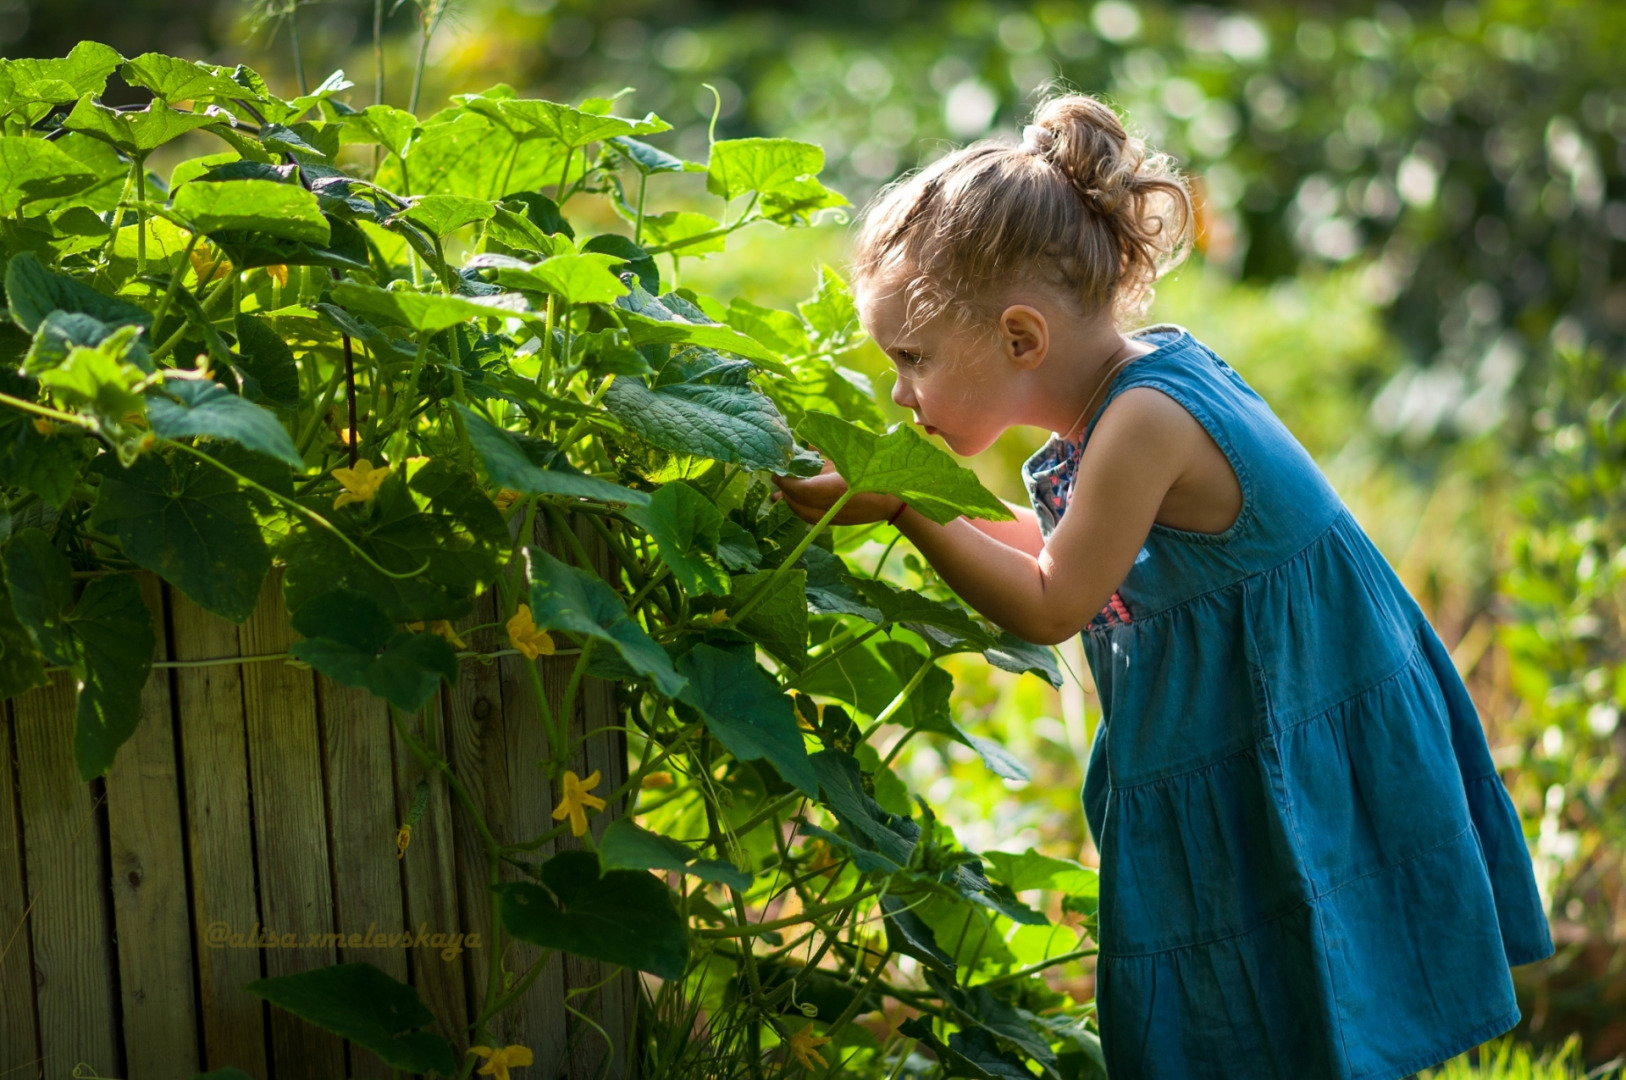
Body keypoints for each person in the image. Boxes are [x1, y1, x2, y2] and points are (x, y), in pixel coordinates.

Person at [771, 93, 1553, 1080]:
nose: (900, 394)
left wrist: (908, 512)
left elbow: (1055, 600)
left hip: (1292, 732)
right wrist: (906, 492)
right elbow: (1063, 550)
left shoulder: (1144, 420)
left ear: (1020, 339)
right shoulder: (1130, 390)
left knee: (1297, 991)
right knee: (1273, 1002)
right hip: (1247, 730)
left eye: (912, 359)